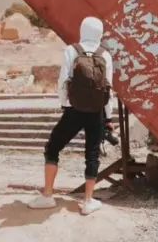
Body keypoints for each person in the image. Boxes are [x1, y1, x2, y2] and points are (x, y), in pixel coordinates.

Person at [28, 16, 113, 216]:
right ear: (99, 33)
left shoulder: (71, 51)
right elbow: (109, 89)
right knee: (92, 155)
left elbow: (63, 82)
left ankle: (48, 196)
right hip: (97, 112)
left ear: (82, 30)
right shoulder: (105, 55)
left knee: (53, 147)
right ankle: (88, 202)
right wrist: (108, 118)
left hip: (74, 110)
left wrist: (66, 104)